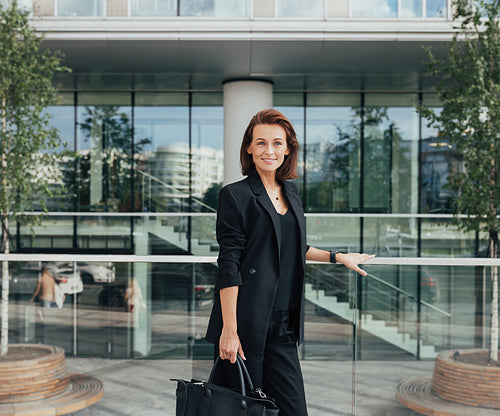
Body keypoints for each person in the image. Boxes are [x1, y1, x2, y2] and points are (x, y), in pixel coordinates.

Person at [205, 109, 375, 416]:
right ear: (249, 148)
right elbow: (229, 264)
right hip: (245, 323)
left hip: (282, 324)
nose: (269, 151)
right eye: (261, 143)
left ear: (288, 148)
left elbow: (294, 246)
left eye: (276, 143)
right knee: (246, 410)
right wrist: (229, 329)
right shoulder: (235, 195)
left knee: (294, 409)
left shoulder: (292, 193)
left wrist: (338, 257)